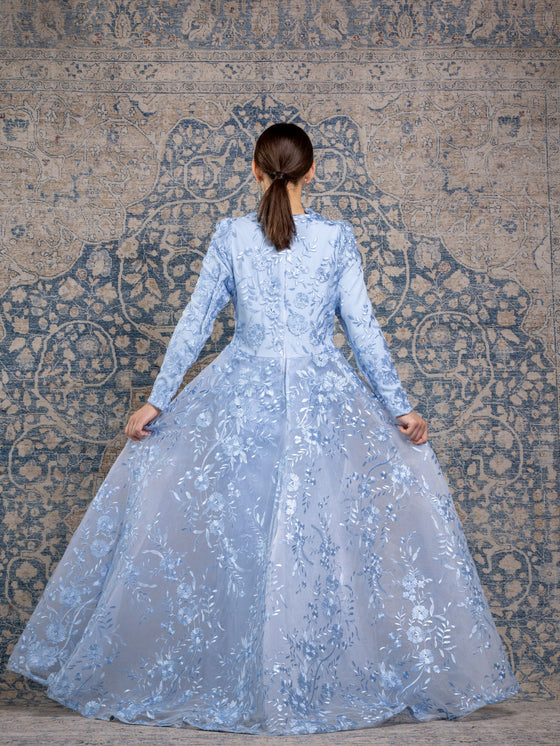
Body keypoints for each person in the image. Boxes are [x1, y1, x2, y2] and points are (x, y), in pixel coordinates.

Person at [7, 122, 519, 735]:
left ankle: (243, 677)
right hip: (323, 398)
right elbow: (362, 330)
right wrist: (399, 406)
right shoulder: (334, 239)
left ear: (255, 169)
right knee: (323, 537)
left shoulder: (232, 236)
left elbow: (194, 323)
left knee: (234, 537)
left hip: (240, 395)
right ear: (313, 172)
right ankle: (309, 677)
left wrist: (158, 401)